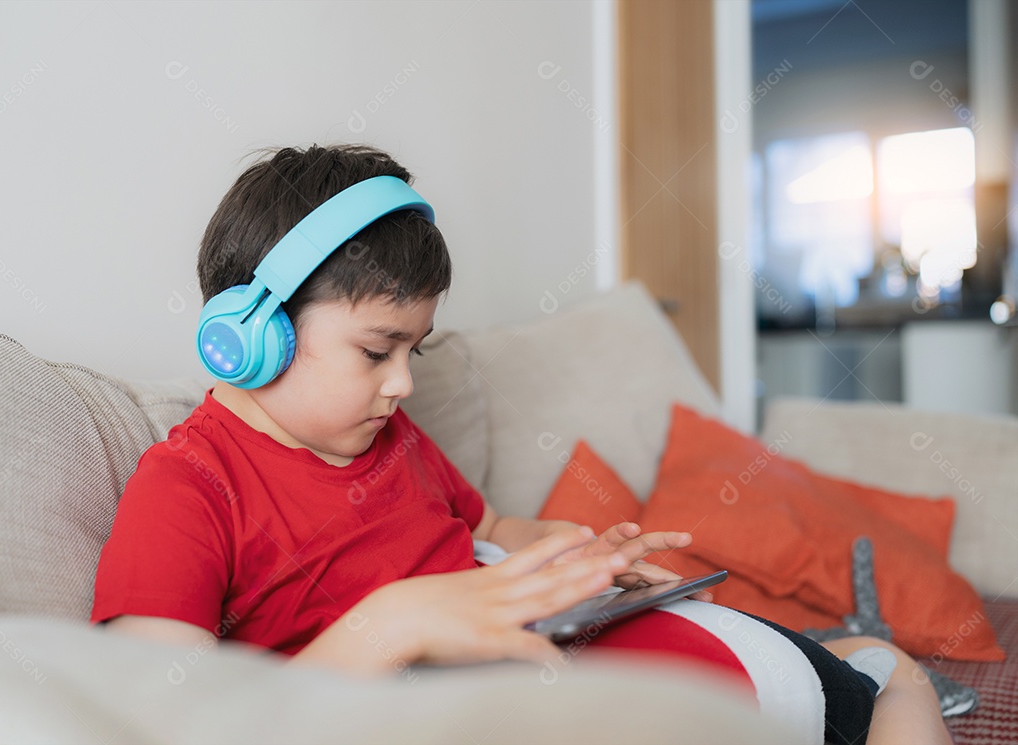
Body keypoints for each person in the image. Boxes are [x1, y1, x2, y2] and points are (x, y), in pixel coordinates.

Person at [92, 144, 950, 745]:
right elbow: (170, 714)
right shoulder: (189, 487)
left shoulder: (389, 437)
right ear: (248, 337)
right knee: (878, 680)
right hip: (478, 708)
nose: (403, 384)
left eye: (414, 351)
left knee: (886, 674)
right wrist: (395, 619)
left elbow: (494, 520)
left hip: (589, 658)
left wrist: (577, 556)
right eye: (375, 350)